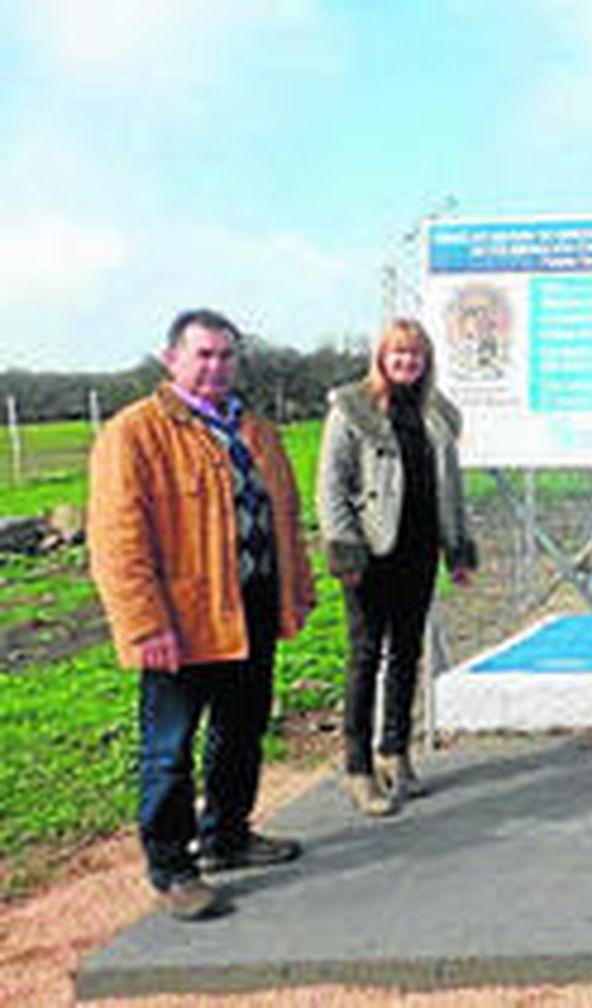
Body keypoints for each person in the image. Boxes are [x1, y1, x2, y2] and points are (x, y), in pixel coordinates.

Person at [87, 309, 316, 921]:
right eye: (203, 355)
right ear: (172, 359)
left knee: (241, 731)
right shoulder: (135, 432)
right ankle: (173, 869)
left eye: (226, 355)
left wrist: (295, 589)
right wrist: (144, 623)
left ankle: (227, 836)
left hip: (252, 609)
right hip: (182, 621)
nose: (216, 366)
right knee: (170, 747)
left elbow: (284, 519)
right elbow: (116, 541)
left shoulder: (256, 430)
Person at [317, 319, 477, 816]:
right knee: (366, 654)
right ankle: (358, 768)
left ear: (426, 361)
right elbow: (331, 484)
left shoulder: (438, 415)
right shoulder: (352, 408)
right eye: (398, 355)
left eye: (416, 356)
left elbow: (450, 489)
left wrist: (458, 548)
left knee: (407, 652)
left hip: (420, 549)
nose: (407, 363)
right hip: (372, 552)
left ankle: (395, 752)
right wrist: (345, 549)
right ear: (381, 358)